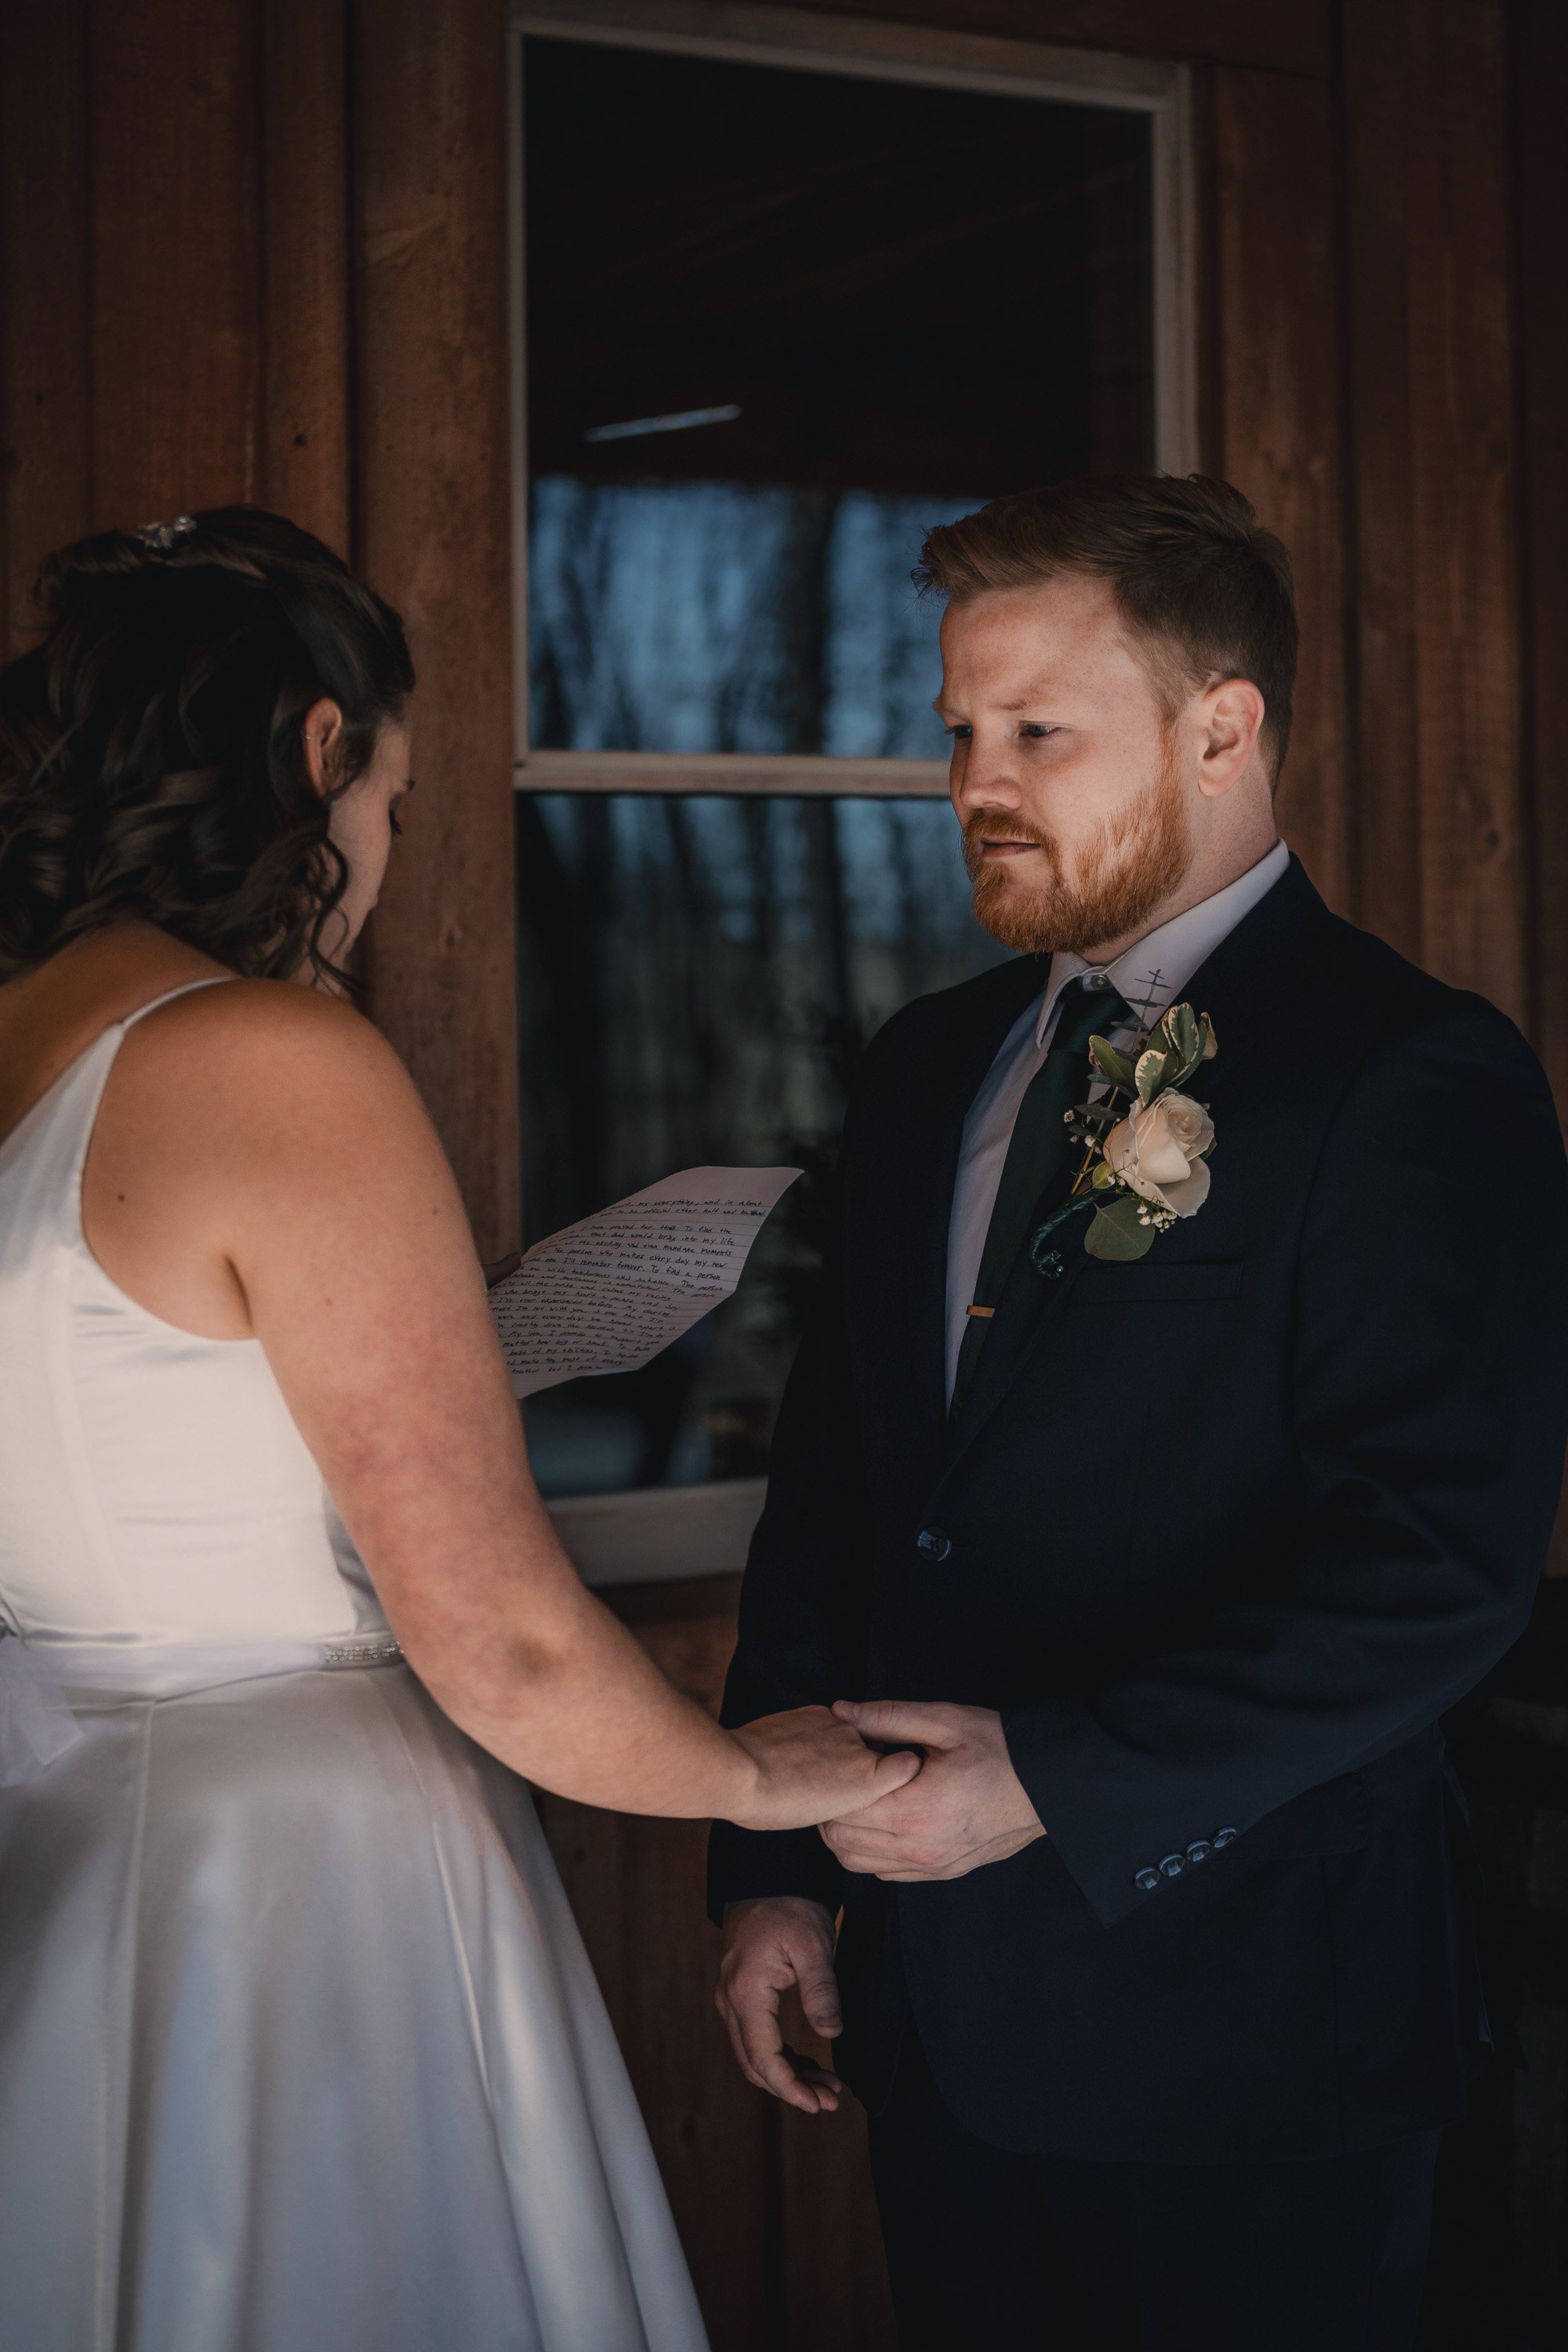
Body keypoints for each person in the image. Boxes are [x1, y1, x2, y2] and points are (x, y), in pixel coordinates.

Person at [0, 507, 919, 2352]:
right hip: (295, 1883)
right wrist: (767, 1781)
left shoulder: (25, 1042)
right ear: (322, 750)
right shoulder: (271, 1060)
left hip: (70, 1836)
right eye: (398, 811)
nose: (383, 862)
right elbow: (492, 1634)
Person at [709, 474, 1568, 2352]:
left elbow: (1435, 1569)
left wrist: (1049, 1780)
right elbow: (841, 1493)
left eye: (1035, 732)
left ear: (1220, 730)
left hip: (1252, 2022)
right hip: (938, 2016)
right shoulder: (936, 1064)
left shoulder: (1407, 1072)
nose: (972, 782)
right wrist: (767, 1865)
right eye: (956, 731)